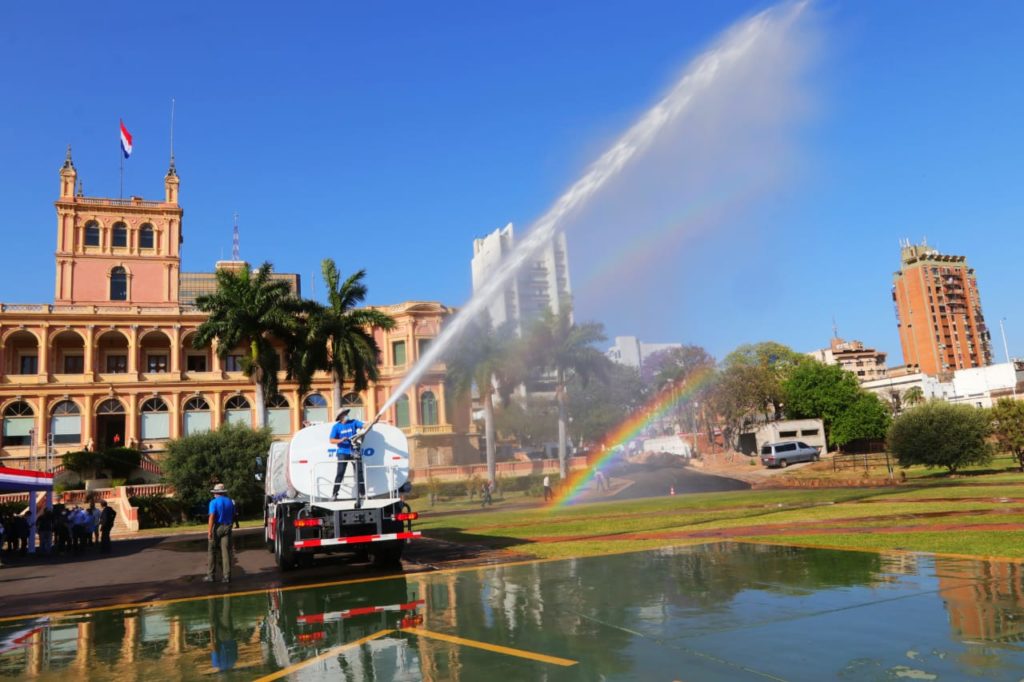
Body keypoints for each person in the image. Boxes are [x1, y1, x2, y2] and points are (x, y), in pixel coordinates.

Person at [329, 409, 365, 501]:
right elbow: (331, 440)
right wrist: (341, 440)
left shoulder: (353, 422)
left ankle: (362, 494)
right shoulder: (336, 427)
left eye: (346, 414)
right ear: (340, 416)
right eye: (344, 414)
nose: (346, 415)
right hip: (342, 452)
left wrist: (370, 424)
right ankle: (334, 494)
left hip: (354, 451)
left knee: (359, 473)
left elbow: (364, 425)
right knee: (340, 473)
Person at [206, 483, 235, 583]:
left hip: (217, 527)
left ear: (217, 493)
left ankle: (211, 575)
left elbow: (211, 517)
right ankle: (226, 576)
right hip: (227, 526)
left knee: (212, 551)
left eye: (214, 493)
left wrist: (209, 531)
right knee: (226, 552)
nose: (213, 494)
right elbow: (233, 514)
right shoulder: (230, 502)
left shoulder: (213, 502)